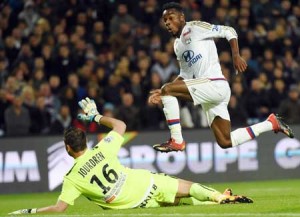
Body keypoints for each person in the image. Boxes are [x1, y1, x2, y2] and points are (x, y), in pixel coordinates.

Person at [9, 97, 252, 215]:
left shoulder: (72, 178)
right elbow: (121, 126)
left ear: (68, 148)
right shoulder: (102, 149)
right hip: (146, 181)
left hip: (135, 204)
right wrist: (95, 117)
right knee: (186, 188)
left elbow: (59, 208)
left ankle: (220, 199)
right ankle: (220, 198)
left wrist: (30, 212)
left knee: (181, 202)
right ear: (85, 142)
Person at [148, 2, 294, 152]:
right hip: (209, 91)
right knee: (225, 141)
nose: (167, 23)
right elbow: (185, 75)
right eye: (165, 20)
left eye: (171, 18)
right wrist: (165, 91)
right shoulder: (177, 45)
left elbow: (228, 31)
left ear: (181, 17)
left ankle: (177, 140)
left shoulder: (195, 28)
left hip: (214, 84)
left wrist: (236, 55)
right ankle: (271, 123)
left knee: (167, 89)